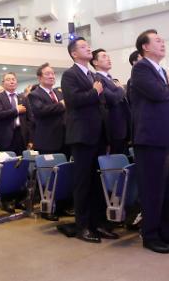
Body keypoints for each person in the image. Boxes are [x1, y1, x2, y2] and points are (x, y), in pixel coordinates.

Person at [130, 29, 169, 253]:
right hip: (151, 138)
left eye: (163, 40)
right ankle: (150, 234)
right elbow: (159, 93)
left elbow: (165, 93)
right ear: (145, 47)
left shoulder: (161, 70)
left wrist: (168, 89)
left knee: (167, 188)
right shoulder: (141, 68)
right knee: (152, 189)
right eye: (157, 41)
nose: (162, 43)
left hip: (166, 136)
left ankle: (166, 231)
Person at [61, 38, 117, 243]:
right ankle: (82, 226)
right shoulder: (69, 75)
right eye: (84, 47)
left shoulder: (93, 74)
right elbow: (73, 101)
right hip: (82, 136)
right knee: (83, 182)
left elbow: (103, 104)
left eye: (88, 46)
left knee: (97, 182)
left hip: (99, 135)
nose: (89, 49)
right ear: (74, 54)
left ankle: (99, 223)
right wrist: (94, 91)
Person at [91, 48, 131, 154]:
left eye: (108, 56)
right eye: (104, 56)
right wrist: (121, 89)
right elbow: (112, 98)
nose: (108, 59)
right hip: (113, 127)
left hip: (123, 127)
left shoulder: (111, 79)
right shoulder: (97, 78)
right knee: (116, 162)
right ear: (95, 62)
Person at [27, 63, 67, 156]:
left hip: (64, 139)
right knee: (49, 169)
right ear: (40, 78)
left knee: (65, 168)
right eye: (48, 74)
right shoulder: (34, 94)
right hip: (47, 141)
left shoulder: (59, 93)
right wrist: (61, 105)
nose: (51, 76)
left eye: (53, 74)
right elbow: (41, 110)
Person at [0, 72, 30, 155]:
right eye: (8, 80)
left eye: (13, 79)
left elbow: (29, 119)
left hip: (21, 136)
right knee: (7, 164)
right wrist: (16, 110)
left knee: (22, 163)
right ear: (3, 83)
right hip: (5, 137)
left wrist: (30, 139)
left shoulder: (23, 97)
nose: (12, 82)